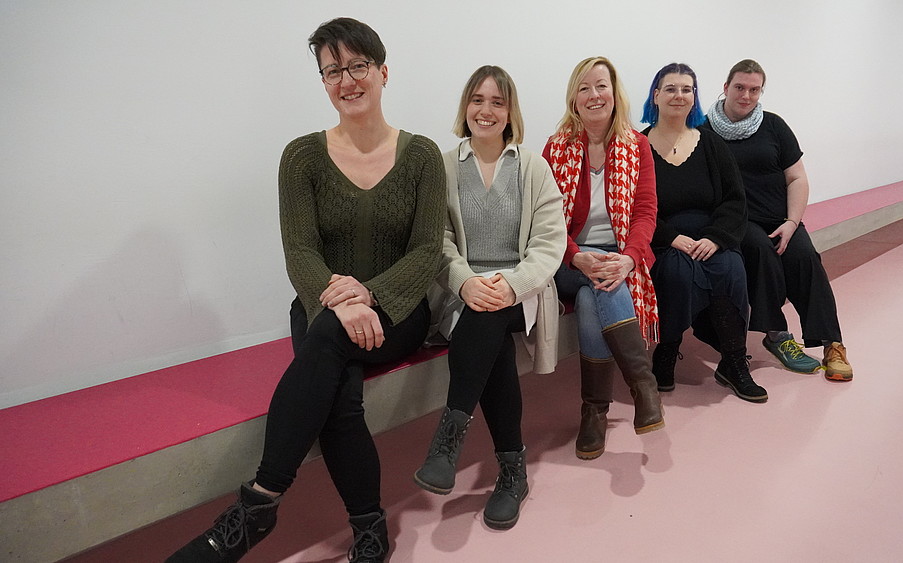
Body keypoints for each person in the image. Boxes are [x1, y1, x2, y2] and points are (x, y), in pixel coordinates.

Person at [167, 18, 446, 563]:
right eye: (332, 70)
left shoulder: (422, 156)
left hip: (397, 311)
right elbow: (299, 251)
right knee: (339, 391)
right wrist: (338, 300)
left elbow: (425, 252)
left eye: (358, 65)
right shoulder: (301, 157)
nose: (347, 79)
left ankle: (256, 508)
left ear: (383, 72)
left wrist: (367, 295)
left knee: (326, 351)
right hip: (322, 308)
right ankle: (370, 530)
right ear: (323, 81)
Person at [413, 66, 566, 530]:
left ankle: (450, 437)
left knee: (492, 316)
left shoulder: (533, 167)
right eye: (478, 100)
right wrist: (463, 281)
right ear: (466, 107)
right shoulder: (442, 165)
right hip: (463, 294)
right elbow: (434, 240)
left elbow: (549, 242)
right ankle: (512, 472)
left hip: (523, 292)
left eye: (497, 102)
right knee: (489, 336)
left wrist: (513, 284)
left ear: (509, 111)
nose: (486, 110)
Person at [543, 56, 664, 461]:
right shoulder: (555, 148)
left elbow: (646, 212)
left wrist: (630, 258)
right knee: (599, 283)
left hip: (617, 257)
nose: (594, 95)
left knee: (594, 296)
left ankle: (594, 410)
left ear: (614, 93)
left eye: (601, 86)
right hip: (565, 259)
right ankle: (642, 385)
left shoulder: (637, 145)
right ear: (573, 98)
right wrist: (577, 257)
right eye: (584, 88)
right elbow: (543, 223)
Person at [704, 59, 853, 381]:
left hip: (779, 217)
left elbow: (797, 178)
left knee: (805, 258)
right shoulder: (704, 132)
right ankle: (777, 336)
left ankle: (833, 343)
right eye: (740, 87)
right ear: (726, 87)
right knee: (761, 252)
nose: (746, 95)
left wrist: (791, 221)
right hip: (737, 220)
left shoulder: (773, 125)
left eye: (754, 90)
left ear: (761, 92)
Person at [639, 63, 766, 403]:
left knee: (729, 269)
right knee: (676, 271)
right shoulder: (636, 146)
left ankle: (734, 362)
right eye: (671, 89)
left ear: (694, 96)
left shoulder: (711, 143)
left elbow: (734, 200)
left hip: (712, 237)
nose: (679, 95)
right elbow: (633, 207)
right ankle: (666, 351)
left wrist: (715, 238)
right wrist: (669, 238)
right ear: (656, 95)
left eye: (686, 89)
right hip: (662, 239)